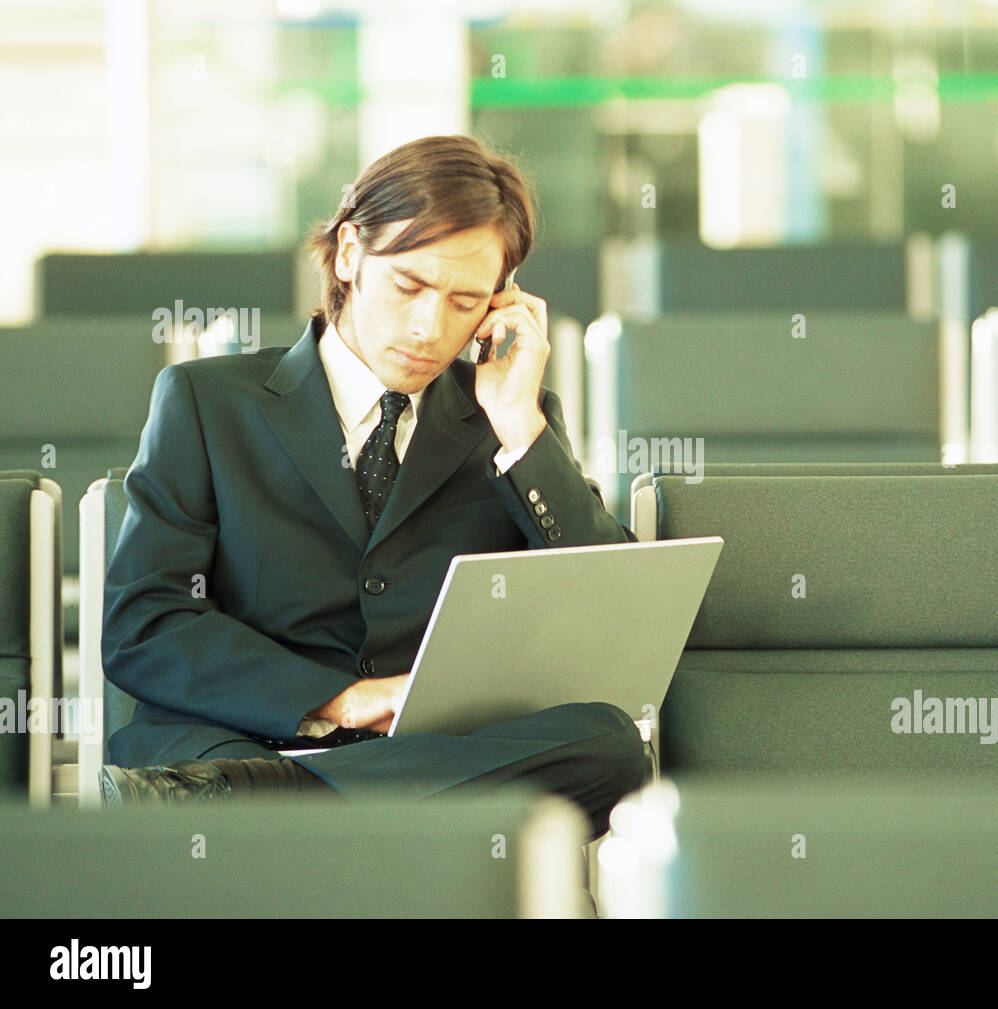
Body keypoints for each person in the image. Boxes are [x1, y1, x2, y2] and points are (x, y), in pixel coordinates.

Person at [99, 135, 646, 836]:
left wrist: (519, 424)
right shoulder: (206, 402)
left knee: (608, 743)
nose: (429, 327)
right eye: (410, 286)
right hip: (239, 739)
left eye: (465, 301)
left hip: (417, 753)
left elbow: (611, 611)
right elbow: (145, 625)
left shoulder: (507, 419)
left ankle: (291, 803)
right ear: (351, 252)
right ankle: (318, 802)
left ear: (501, 306)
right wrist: (340, 697)